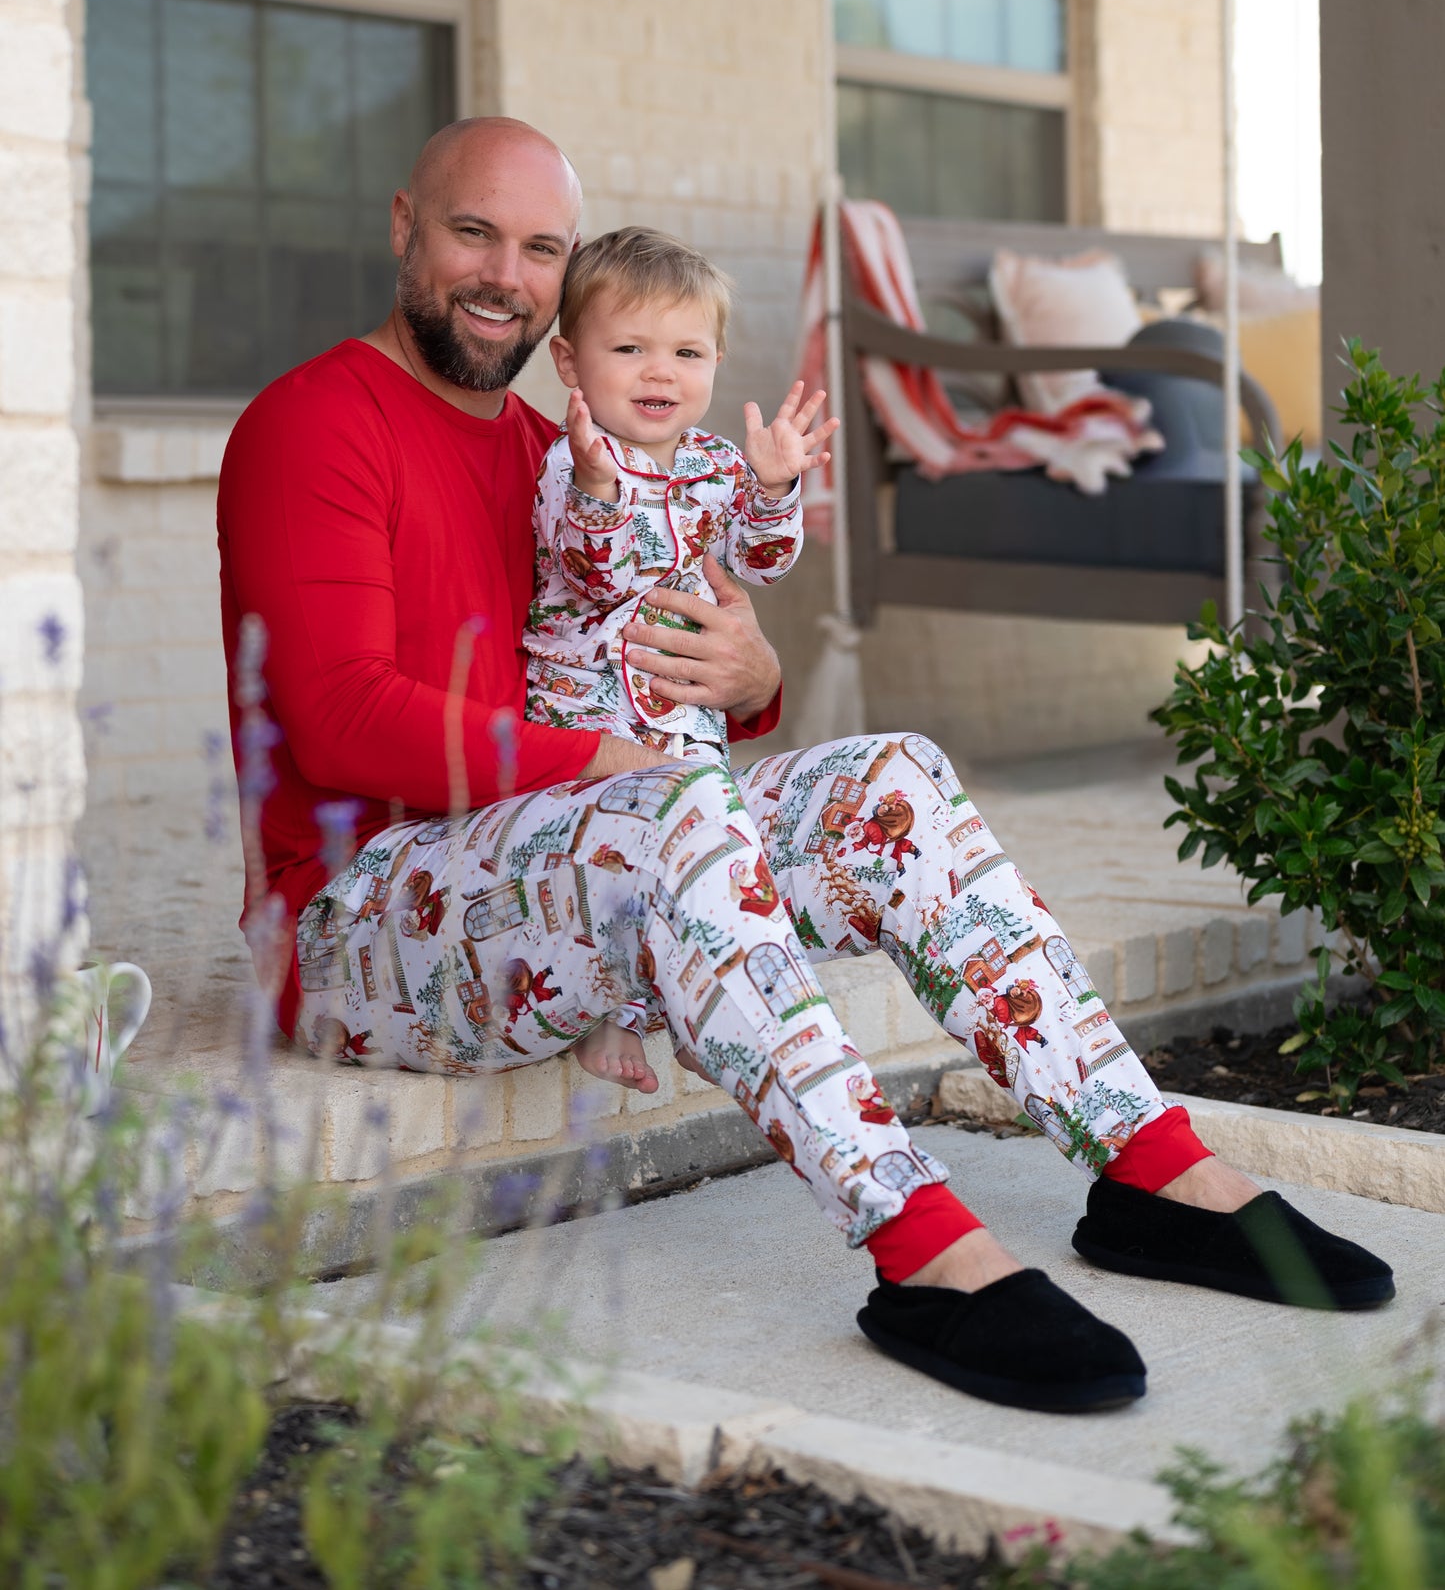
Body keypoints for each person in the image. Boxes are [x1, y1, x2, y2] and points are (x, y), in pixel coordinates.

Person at [217, 116, 1394, 1420]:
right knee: (662, 813)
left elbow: (647, 662)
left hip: (567, 838)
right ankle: (919, 1243)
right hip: (352, 916)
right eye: (471, 232)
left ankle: (1153, 1168)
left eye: (539, 246)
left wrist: (749, 675)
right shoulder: (312, 422)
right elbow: (336, 718)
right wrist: (615, 764)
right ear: (403, 227)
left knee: (892, 779)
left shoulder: (566, 455)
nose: (504, 272)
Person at [523, 224, 833, 1097]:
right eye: (629, 348)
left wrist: (772, 488)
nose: (659, 372)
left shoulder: (715, 464)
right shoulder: (573, 462)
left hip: (683, 715)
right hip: (588, 714)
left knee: (705, 863)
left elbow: (761, 561)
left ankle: (697, 1005)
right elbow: (593, 572)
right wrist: (597, 492)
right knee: (612, 864)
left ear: (715, 362)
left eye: (686, 352)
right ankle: (605, 1009)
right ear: (570, 362)